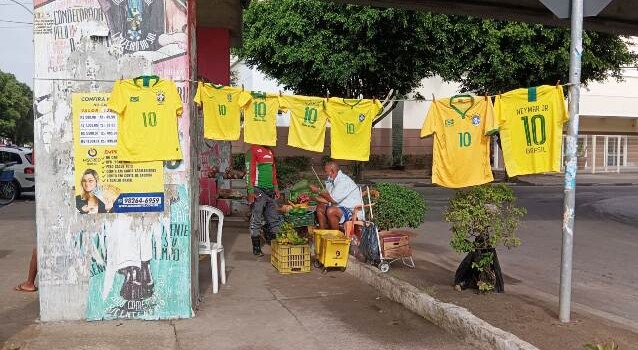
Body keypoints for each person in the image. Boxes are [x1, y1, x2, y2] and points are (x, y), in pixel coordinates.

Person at [246, 144, 281, 257]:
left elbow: (273, 172)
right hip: (258, 190)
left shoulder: (271, 151)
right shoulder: (252, 150)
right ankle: (256, 248)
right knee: (257, 219)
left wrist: (276, 188)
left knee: (274, 219)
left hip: (270, 191)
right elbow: (249, 172)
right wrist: (250, 191)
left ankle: (276, 246)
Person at [311, 161, 363, 230]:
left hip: (352, 210)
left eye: (326, 171)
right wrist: (312, 197)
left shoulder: (343, 181)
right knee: (320, 207)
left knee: (331, 211)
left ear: (332, 171)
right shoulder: (332, 180)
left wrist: (318, 191)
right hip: (340, 207)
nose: (325, 174)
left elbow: (333, 200)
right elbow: (328, 198)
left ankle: (335, 235)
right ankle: (322, 232)